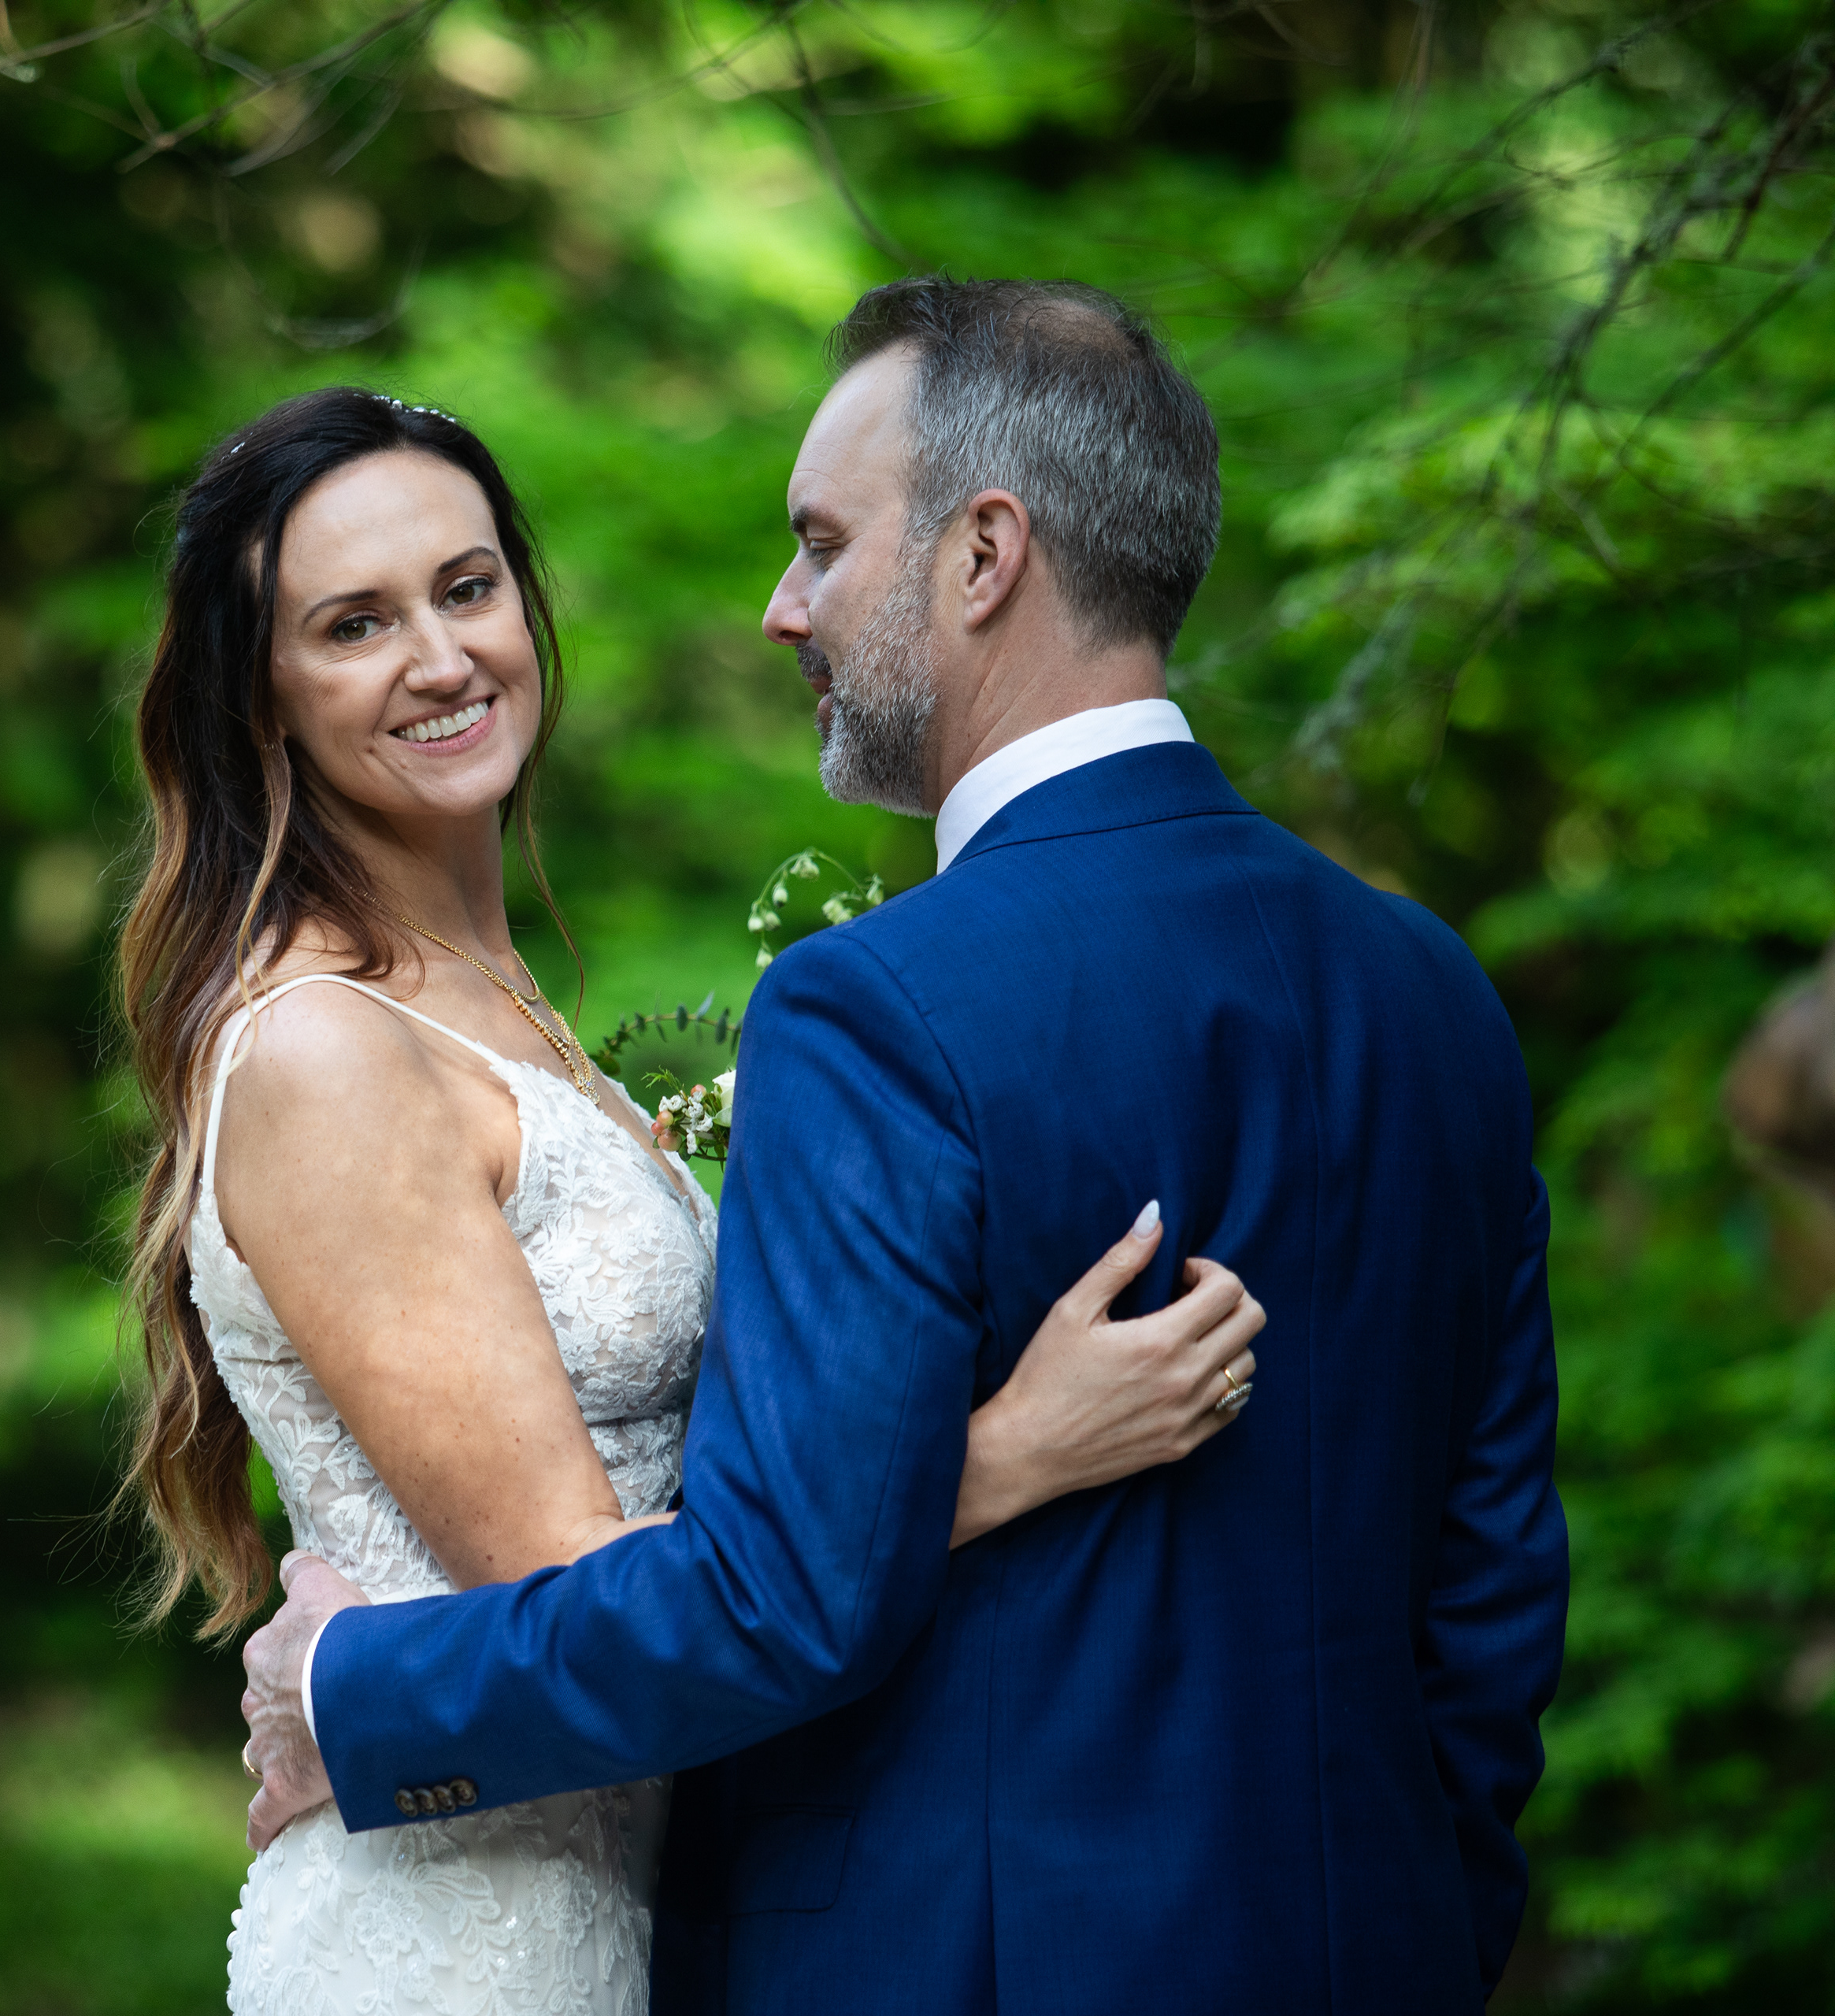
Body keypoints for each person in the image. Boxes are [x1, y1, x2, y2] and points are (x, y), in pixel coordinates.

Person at [235, 283, 1570, 2014]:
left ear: (983, 555)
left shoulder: (883, 1011)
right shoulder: (1433, 994)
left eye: (823, 541)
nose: (784, 607)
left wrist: (359, 1694)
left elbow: (782, 1596)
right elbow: (1493, 1592)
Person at [117, 380, 1270, 2016]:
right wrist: (1009, 1449)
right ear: (263, 704)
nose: (441, 657)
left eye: (467, 586)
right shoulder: (326, 1049)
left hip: (649, 1893)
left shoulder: (497, 1005)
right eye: (353, 625)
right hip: (470, 1938)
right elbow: (580, 1593)